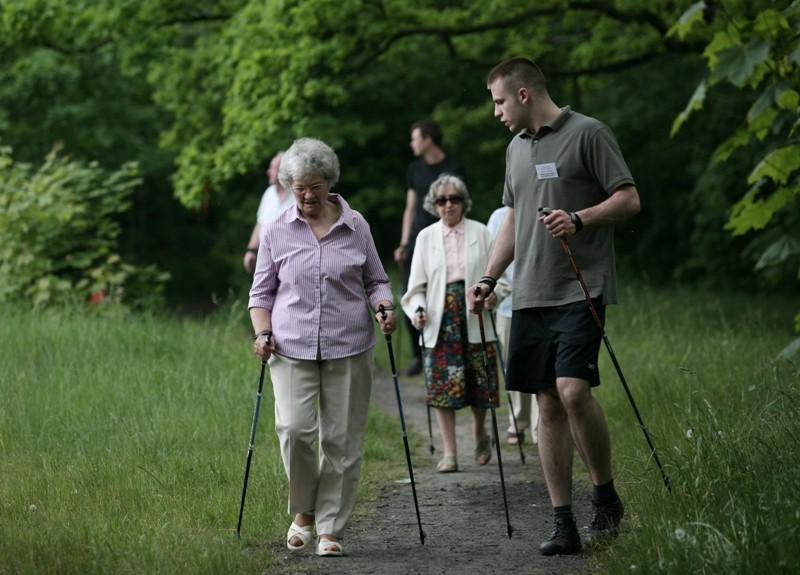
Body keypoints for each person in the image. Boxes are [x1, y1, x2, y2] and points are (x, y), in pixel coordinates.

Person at [468, 57, 640, 556]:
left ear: (523, 94)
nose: (496, 112)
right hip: (530, 293)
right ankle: (562, 519)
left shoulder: (589, 133)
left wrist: (580, 219)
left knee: (571, 391)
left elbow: (628, 199)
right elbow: (513, 220)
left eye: (499, 101)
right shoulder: (515, 150)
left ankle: (605, 497)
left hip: (581, 287)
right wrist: (488, 276)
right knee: (545, 401)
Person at [249, 137, 397, 557]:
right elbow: (260, 294)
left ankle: (331, 526)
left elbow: (377, 280)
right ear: (289, 186)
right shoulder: (277, 230)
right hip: (291, 346)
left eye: (315, 186)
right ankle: (303, 513)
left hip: (348, 345)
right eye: (299, 188)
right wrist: (262, 333)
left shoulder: (356, 225)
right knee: (295, 431)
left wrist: (384, 305)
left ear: (329, 182)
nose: (308, 195)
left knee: (342, 439)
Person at [401, 174, 510, 473]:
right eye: (442, 200)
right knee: (441, 388)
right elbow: (414, 288)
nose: (448, 205)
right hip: (440, 318)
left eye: (454, 199)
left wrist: (493, 297)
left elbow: (500, 279)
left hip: (475, 314)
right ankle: (449, 452)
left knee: (481, 382)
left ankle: (479, 433)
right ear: (434, 205)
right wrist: (417, 310)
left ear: (463, 202)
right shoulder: (425, 237)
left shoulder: (482, 233)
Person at [394, 121, 466, 376]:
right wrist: (404, 242)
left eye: (415, 139)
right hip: (417, 238)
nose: (412, 144)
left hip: (445, 238)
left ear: (428, 140)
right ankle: (417, 352)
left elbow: (458, 203)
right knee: (409, 291)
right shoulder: (414, 168)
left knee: (441, 292)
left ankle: (444, 347)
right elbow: (410, 208)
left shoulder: (453, 167)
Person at [487, 205, 539, 447]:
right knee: (512, 364)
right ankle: (518, 421)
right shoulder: (499, 217)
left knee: (543, 364)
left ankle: (540, 425)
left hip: (542, 299)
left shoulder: (543, 209)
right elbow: (490, 258)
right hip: (509, 303)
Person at [243, 151, 293, 273]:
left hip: (291, 261)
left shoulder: (298, 196)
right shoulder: (269, 193)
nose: (268, 171)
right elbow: (260, 223)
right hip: (267, 260)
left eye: (273, 168)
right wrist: (251, 250)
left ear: (283, 171)